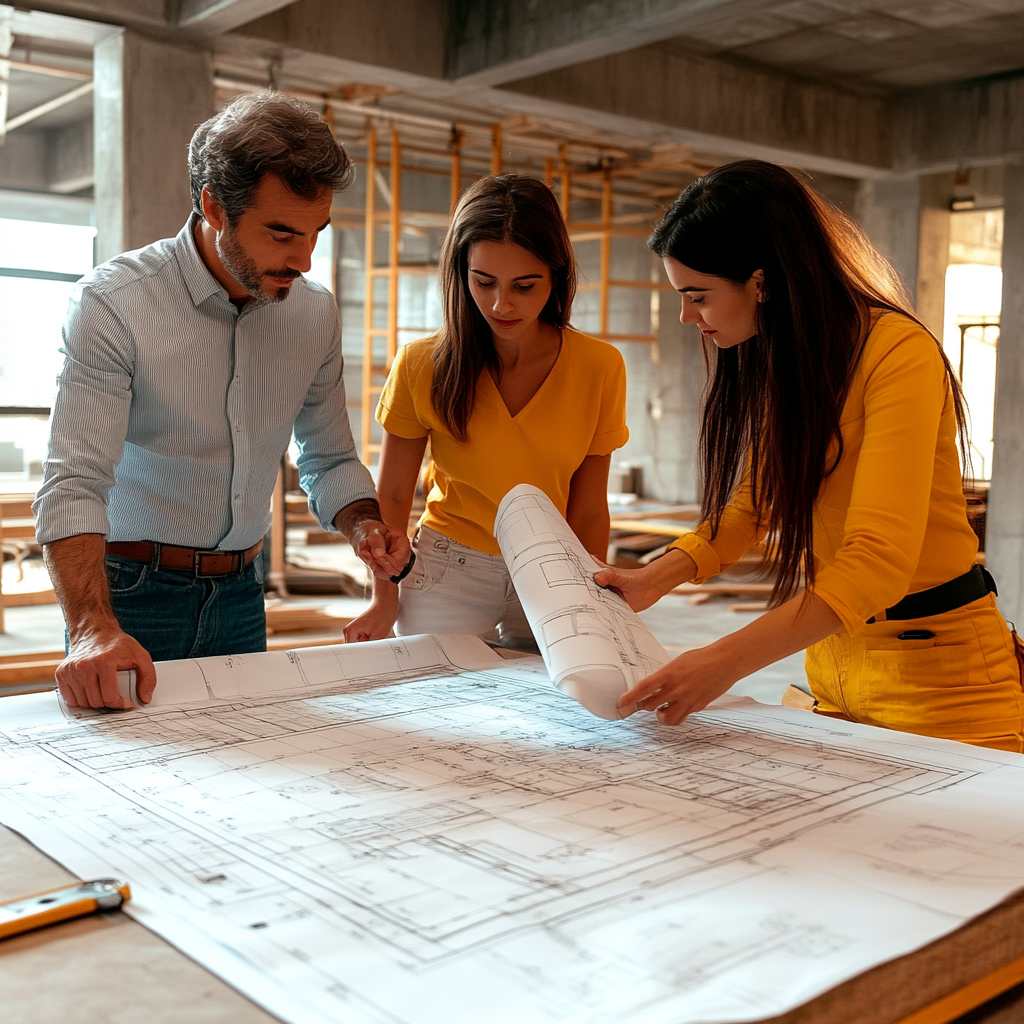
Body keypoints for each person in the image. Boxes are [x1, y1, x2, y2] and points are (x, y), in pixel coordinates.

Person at [596, 159, 1024, 753]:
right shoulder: (785, 358)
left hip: (943, 679)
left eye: (698, 296)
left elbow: (877, 561)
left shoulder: (898, 353)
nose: (687, 317)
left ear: (762, 282)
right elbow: (754, 504)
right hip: (834, 663)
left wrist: (722, 660)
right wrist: (653, 578)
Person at [34, 92, 411, 712]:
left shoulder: (313, 314)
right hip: (128, 595)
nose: (305, 258)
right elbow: (74, 482)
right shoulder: (115, 304)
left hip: (242, 594)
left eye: (317, 233)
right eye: (282, 233)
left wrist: (363, 522)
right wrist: (90, 627)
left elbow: (329, 459)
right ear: (214, 206)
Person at [344, 174, 628, 646]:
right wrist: (384, 597)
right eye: (484, 281)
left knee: (553, 714)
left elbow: (590, 509)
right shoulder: (421, 364)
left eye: (524, 285)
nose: (502, 304)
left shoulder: (599, 366)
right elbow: (393, 491)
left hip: (551, 570)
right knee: (435, 712)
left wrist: (590, 598)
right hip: (446, 568)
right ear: (461, 274)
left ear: (556, 276)